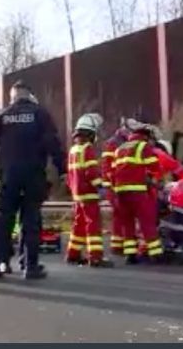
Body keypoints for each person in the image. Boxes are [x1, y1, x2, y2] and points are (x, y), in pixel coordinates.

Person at [0, 81, 65, 280]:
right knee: (31, 220)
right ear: (30, 95)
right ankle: (30, 265)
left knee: (4, 219)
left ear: (13, 96)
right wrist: (62, 169)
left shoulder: (2, 115)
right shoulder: (40, 114)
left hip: (8, 176)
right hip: (33, 175)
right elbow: (53, 143)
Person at [112, 118, 164, 264]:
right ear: (146, 136)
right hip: (137, 190)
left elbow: (114, 170)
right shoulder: (143, 147)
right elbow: (154, 167)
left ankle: (130, 254)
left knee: (127, 223)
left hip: (120, 192)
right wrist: (158, 182)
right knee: (147, 221)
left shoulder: (120, 149)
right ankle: (155, 254)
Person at [66, 113, 113, 268]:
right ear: (91, 133)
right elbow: (91, 171)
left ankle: (73, 253)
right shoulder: (87, 149)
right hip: (88, 193)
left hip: (77, 194)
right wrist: (100, 186)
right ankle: (95, 257)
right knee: (93, 224)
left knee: (79, 224)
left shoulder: (73, 150)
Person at [101, 118, 132, 255]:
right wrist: (111, 184)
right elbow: (107, 165)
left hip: (118, 185)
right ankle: (120, 243)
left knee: (120, 215)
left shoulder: (121, 142)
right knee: (122, 214)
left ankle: (118, 243)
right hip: (114, 186)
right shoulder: (114, 143)